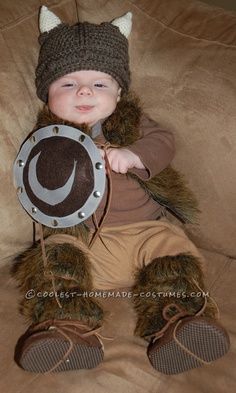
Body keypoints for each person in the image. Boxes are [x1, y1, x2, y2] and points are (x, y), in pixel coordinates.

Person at [12, 5, 230, 375]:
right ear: (45, 93)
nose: (84, 90)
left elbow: (164, 142)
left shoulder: (135, 125)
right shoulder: (48, 139)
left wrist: (132, 154)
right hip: (85, 245)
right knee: (55, 256)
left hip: (145, 234)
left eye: (99, 83)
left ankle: (174, 321)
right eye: (67, 83)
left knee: (172, 248)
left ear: (118, 91)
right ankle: (66, 327)